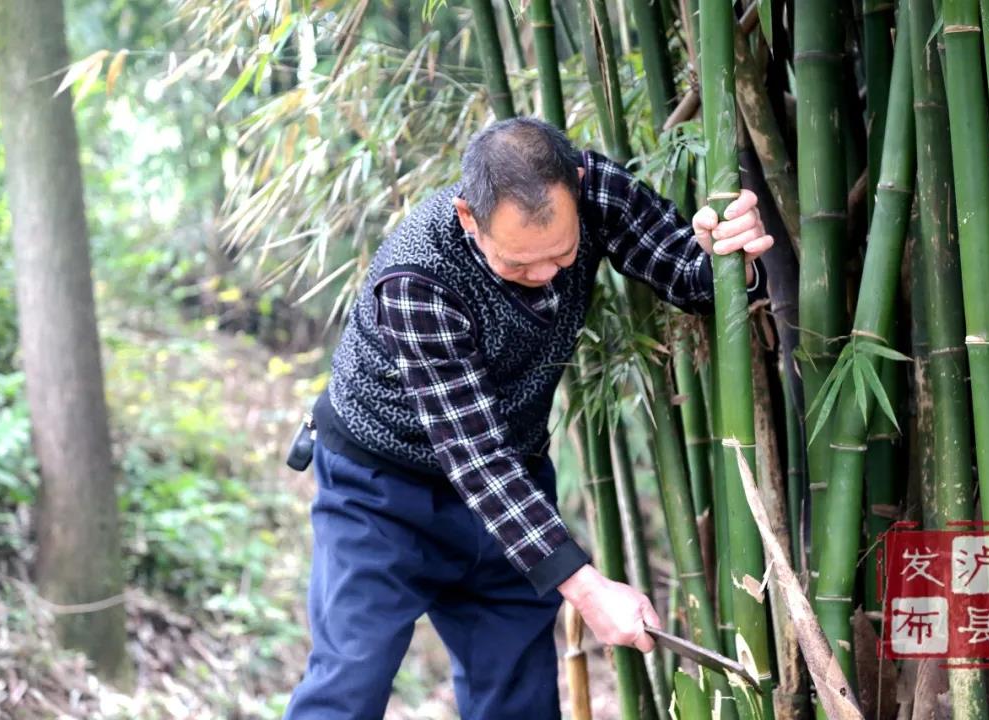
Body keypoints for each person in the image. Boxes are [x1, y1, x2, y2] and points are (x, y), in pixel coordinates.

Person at [284, 116, 773, 719]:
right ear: (470, 218)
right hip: (382, 494)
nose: (546, 277)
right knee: (348, 685)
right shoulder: (416, 276)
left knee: (517, 695)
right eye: (519, 265)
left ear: (574, 184)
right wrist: (589, 589)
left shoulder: (596, 191)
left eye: (564, 255)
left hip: (512, 484)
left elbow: (688, 277)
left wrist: (728, 255)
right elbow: (475, 457)